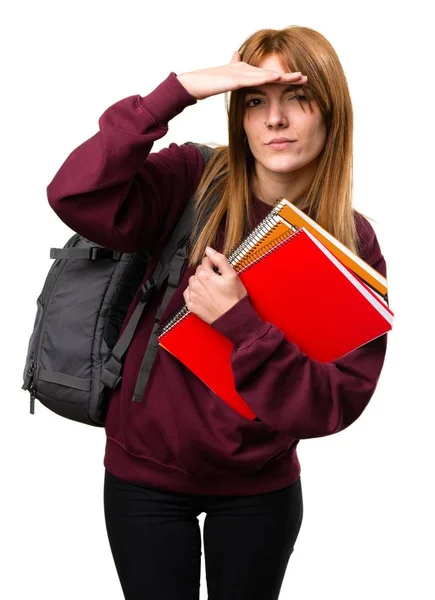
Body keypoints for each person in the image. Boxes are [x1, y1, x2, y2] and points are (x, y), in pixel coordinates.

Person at [46, 25, 388, 600]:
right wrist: (177, 91)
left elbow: (336, 401)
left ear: (331, 113)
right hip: (143, 477)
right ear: (240, 117)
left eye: (297, 100)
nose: (275, 120)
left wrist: (238, 321)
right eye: (256, 102)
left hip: (259, 490)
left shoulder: (350, 242)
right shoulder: (190, 179)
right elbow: (74, 195)